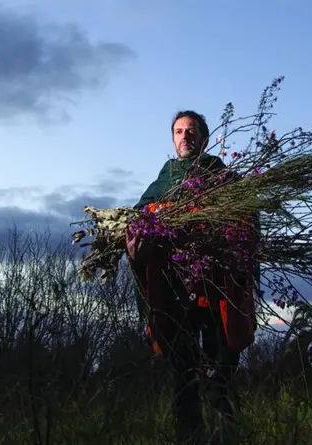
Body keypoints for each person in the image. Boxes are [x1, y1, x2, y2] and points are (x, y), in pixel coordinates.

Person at [125, 110, 258, 444]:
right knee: (182, 376)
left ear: (204, 138)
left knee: (219, 377)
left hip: (214, 290)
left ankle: (228, 436)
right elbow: (139, 220)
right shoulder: (165, 178)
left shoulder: (222, 176)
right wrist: (134, 247)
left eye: (192, 131)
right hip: (174, 292)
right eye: (179, 131)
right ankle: (189, 438)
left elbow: (248, 222)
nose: (185, 136)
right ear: (172, 138)